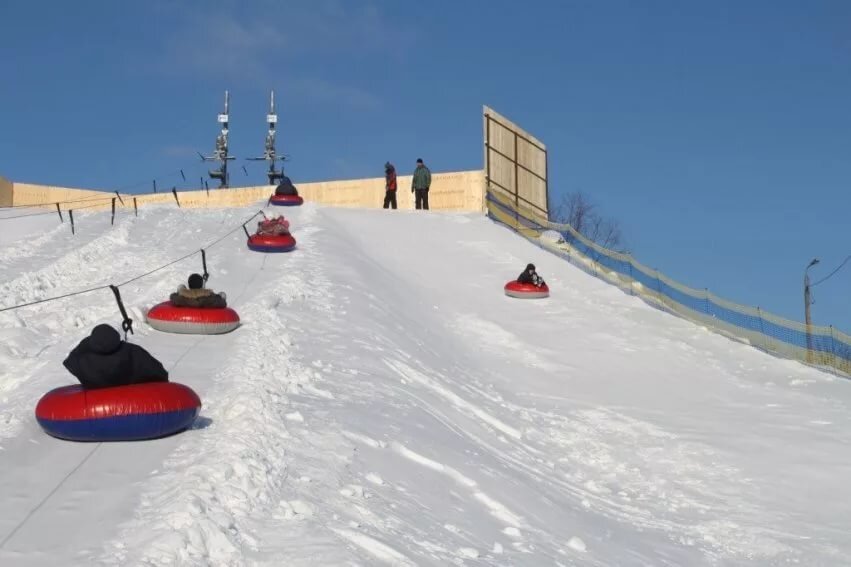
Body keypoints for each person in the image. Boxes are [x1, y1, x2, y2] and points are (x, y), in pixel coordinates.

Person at [63, 324, 169, 389]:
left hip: (95, 397)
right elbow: (159, 373)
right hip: (129, 397)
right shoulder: (132, 352)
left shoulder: (82, 355)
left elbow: (69, 362)